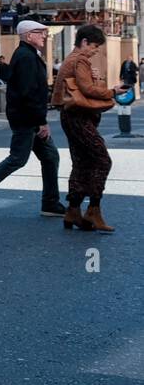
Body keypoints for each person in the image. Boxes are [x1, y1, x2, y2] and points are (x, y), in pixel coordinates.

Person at [0, 20, 62, 218]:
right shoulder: (25, 57)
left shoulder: (29, 54)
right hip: (27, 118)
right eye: (40, 32)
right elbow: (28, 93)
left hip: (28, 117)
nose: (44, 35)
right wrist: (40, 121)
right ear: (28, 36)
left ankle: (50, 203)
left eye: (45, 32)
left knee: (50, 157)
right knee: (18, 158)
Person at [52, 25, 120, 233]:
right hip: (79, 117)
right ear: (84, 42)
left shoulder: (70, 59)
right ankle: (93, 208)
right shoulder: (80, 59)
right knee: (102, 159)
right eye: (94, 46)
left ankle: (73, 210)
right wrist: (111, 92)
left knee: (81, 162)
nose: (95, 51)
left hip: (70, 116)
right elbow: (86, 88)